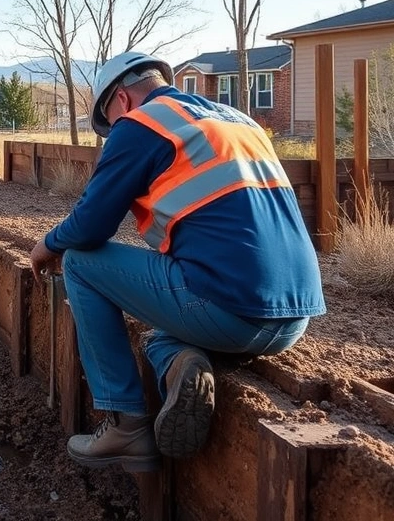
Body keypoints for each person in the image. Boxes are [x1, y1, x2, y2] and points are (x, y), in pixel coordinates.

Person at [30, 50, 325, 472]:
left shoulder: (139, 125)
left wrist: (47, 245)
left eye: (109, 125)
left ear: (122, 101)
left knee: (78, 261)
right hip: (291, 322)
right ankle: (177, 360)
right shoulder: (237, 120)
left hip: (230, 310)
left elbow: (90, 225)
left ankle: (125, 424)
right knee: (162, 333)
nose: (113, 135)